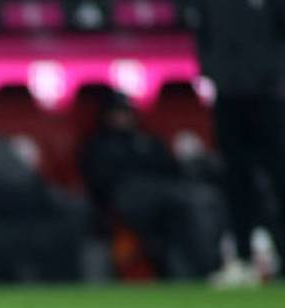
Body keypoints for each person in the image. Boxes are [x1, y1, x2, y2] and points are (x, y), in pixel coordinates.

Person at [80, 92, 223, 279]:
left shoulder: (147, 141)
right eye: (117, 112)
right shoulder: (99, 145)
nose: (122, 117)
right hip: (126, 199)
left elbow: (170, 169)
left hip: (164, 197)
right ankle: (207, 267)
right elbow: (99, 181)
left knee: (198, 202)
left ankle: (207, 267)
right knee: (185, 203)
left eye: (126, 112)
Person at [192, 0, 285, 285]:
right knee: (236, 181)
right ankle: (243, 259)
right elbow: (203, 36)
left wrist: (272, 72)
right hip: (228, 98)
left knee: (280, 177)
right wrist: (214, 72)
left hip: (269, 96)